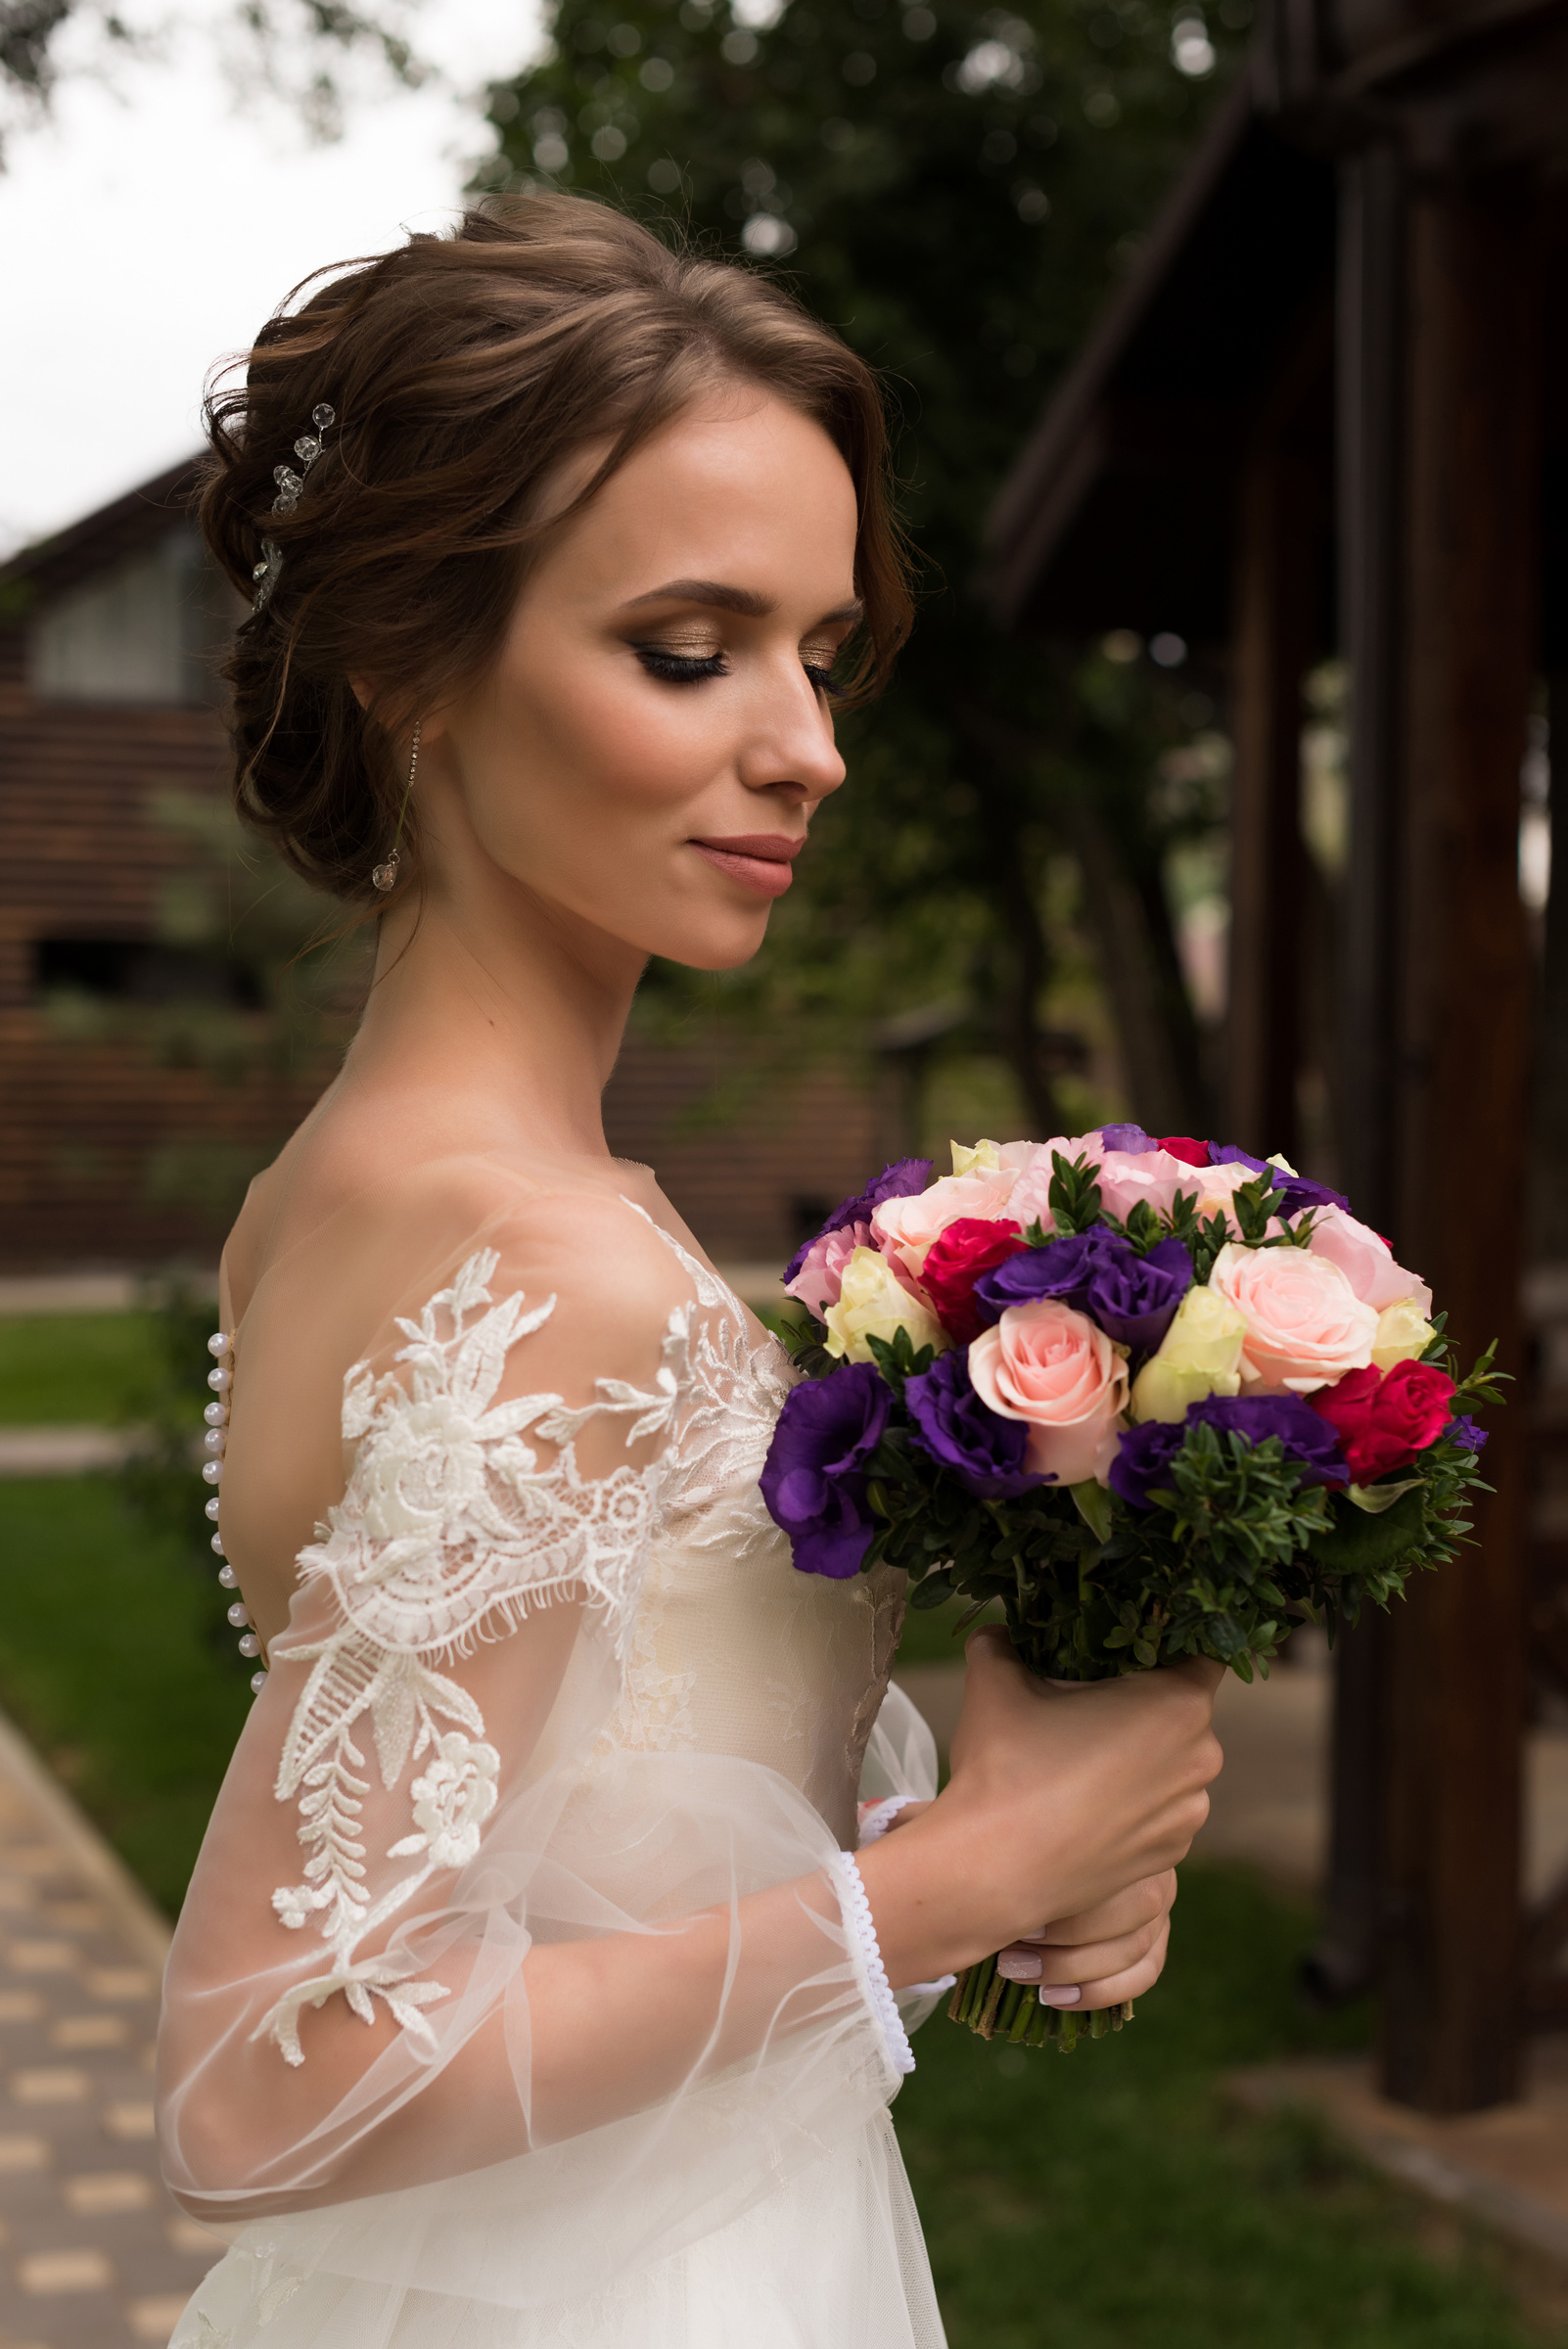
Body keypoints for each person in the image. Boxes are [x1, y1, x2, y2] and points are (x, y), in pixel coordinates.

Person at [157, 194, 1222, 2349]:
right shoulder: (550, 1263)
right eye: (688, 649)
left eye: (818, 657)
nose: (808, 744)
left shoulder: (348, 1191)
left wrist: (1020, 1810)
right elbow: (270, 2075)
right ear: (410, 668)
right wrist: (966, 1876)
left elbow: (596, 1829)